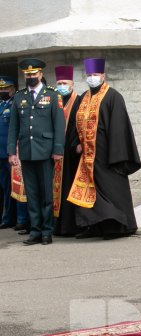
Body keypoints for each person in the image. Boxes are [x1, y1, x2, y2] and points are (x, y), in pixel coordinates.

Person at [69, 58, 141, 240]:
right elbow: (74, 125)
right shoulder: (83, 98)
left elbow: (119, 127)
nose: (92, 78)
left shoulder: (113, 96)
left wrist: (116, 154)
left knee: (111, 191)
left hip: (107, 153)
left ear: (103, 75)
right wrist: (76, 143)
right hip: (86, 156)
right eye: (89, 75)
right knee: (88, 191)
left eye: (95, 74)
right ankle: (93, 226)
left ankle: (117, 227)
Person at [7, 58, 65, 246]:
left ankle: (47, 231)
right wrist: (11, 152)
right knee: (31, 194)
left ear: (40, 75)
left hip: (46, 152)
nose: (30, 77)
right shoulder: (19, 97)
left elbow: (58, 124)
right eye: (27, 74)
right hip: (26, 152)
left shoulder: (53, 95)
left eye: (33, 74)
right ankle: (35, 231)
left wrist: (58, 149)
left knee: (46, 195)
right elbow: (13, 127)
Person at [54, 65, 83, 237]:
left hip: (71, 154)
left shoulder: (78, 101)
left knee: (69, 189)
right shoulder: (54, 101)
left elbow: (80, 126)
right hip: (56, 154)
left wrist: (77, 144)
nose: (61, 86)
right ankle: (58, 226)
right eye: (59, 83)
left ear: (72, 83)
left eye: (64, 82)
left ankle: (71, 226)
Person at [0, 76, 18, 230]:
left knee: (12, 188)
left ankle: (12, 218)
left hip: (9, 153)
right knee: (4, 187)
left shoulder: (15, 104)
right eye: (1, 89)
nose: (3, 91)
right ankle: (6, 217)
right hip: (0, 154)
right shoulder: (1, 105)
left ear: (13, 88)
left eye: (6, 88)